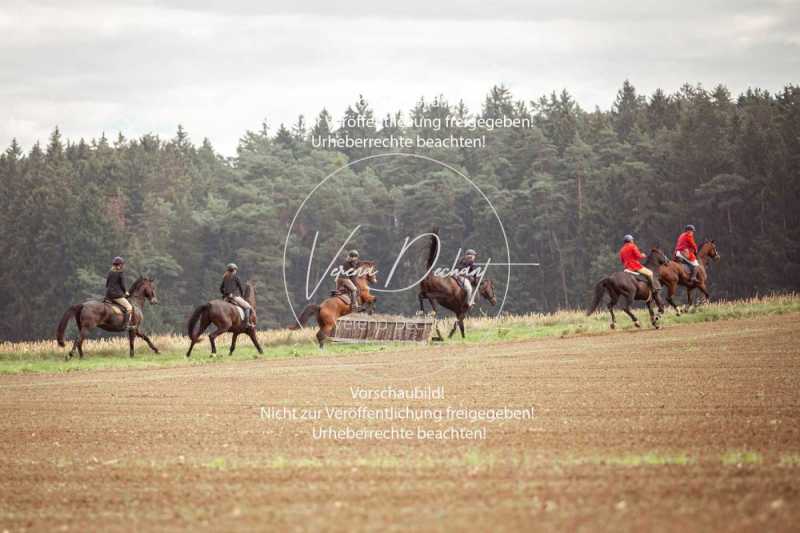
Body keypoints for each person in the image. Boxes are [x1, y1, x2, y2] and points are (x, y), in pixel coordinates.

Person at [106, 256, 134, 330]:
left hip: (108, 295)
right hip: (116, 295)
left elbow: (107, 283)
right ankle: (126, 325)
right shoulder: (120, 273)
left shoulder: (110, 272)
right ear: (120, 265)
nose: (122, 266)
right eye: (122, 264)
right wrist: (126, 292)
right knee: (129, 307)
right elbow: (122, 285)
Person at [220, 263, 253, 327]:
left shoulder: (225, 277)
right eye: (235, 270)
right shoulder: (236, 277)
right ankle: (246, 323)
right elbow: (240, 288)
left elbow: (221, 289)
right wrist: (242, 296)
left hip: (226, 298)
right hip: (234, 297)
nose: (236, 271)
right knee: (248, 307)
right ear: (234, 270)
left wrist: (225, 294)